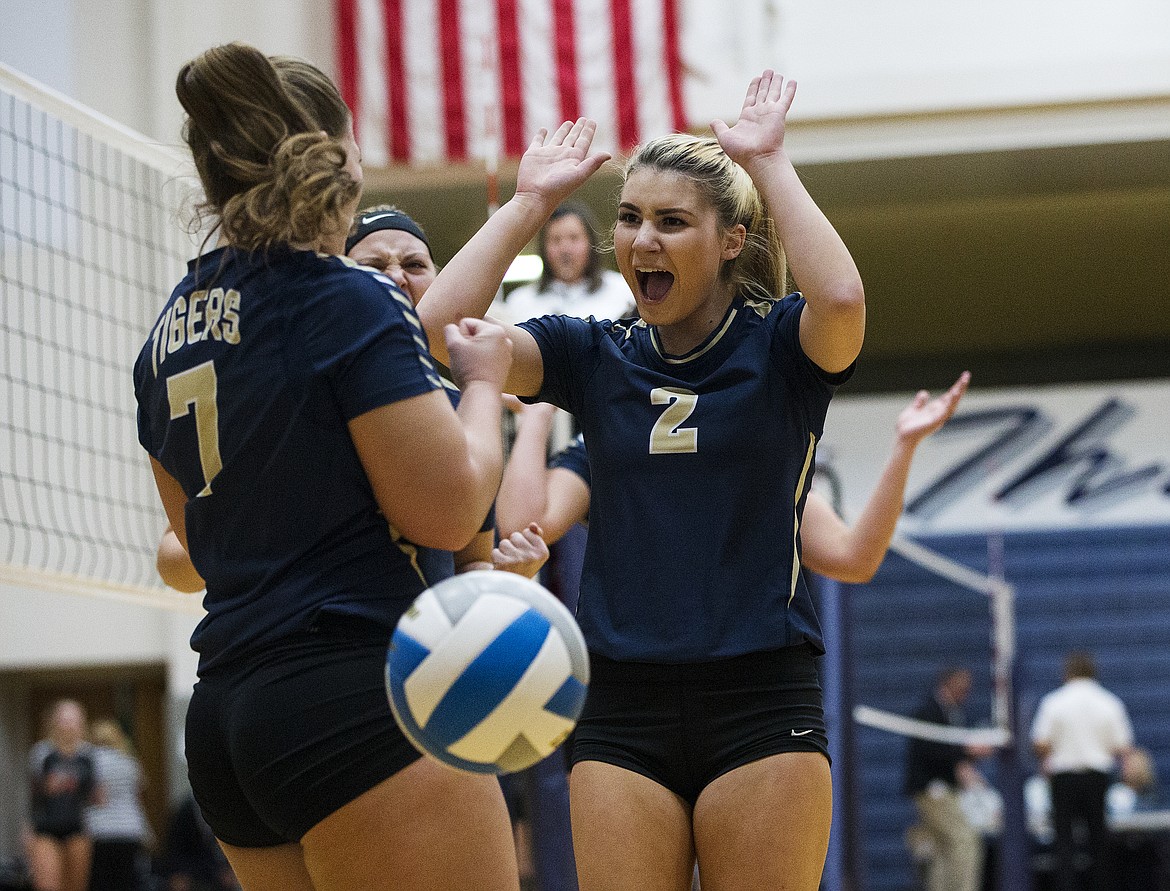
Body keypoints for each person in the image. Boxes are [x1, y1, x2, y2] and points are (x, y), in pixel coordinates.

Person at [416, 70, 865, 890]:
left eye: (671, 221)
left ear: (730, 240)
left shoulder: (779, 350)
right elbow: (443, 329)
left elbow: (839, 297)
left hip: (760, 695)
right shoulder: (594, 352)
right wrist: (526, 205)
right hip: (622, 703)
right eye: (629, 218)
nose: (641, 240)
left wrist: (769, 164)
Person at [134, 42, 520, 891]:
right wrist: (484, 388)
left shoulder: (163, 337)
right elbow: (450, 510)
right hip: (354, 695)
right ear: (339, 160)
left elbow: (197, 545)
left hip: (229, 720)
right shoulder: (342, 296)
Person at [153, 205, 549, 594]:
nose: (396, 277)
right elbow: (177, 561)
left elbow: (467, 561)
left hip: (413, 646)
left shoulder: (459, 408)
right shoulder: (298, 387)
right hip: (326, 629)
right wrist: (255, 524)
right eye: (374, 268)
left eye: (414, 265)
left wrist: (505, 580)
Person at [497, 374, 971, 581]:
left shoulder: (749, 447)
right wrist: (538, 413)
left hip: (747, 693)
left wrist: (904, 449)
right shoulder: (606, 448)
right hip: (634, 688)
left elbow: (853, 558)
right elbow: (525, 526)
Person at [1031, 650, 1135, 891]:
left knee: (1064, 841)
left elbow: (1040, 743)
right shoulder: (1109, 702)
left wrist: (1054, 751)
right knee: (1098, 839)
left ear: (1067, 673)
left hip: (1064, 778)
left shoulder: (1054, 701)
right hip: (1096, 777)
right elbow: (1122, 746)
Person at [902, 667, 993, 891]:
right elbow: (934, 752)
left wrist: (966, 762)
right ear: (949, 683)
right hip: (932, 790)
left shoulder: (952, 712)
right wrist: (968, 752)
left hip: (944, 788)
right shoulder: (930, 711)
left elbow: (950, 756)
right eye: (962, 686)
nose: (966, 692)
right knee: (965, 840)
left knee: (942, 848)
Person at [498, 202, 635, 325]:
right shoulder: (520, 302)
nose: (565, 250)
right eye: (556, 240)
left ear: (591, 243)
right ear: (543, 248)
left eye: (574, 238)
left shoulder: (623, 292)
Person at [26, 699, 96, 891]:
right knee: (48, 885)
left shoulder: (88, 755)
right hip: (45, 828)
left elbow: (93, 794)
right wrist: (27, 831)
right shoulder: (42, 752)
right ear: (55, 722)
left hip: (77, 828)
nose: (69, 725)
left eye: (74, 720)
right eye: (64, 720)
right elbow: (34, 795)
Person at [85, 720, 152, 891]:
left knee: (100, 882)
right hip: (130, 829)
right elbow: (137, 798)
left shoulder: (90, 759)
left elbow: (92, 795)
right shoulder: (130, 761)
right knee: (126, 882)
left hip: (100, 829)